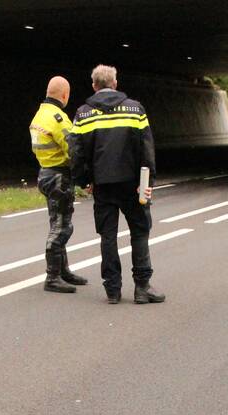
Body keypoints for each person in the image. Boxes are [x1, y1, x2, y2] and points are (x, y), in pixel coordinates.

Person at [70, 64, 165, 304]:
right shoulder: (135, 109)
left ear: (94, 86)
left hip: (102, 186)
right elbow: (147, 148)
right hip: (133, 184)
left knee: (108, 236)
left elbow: (76, 153)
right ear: (115, 83)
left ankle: (112, 290)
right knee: (140, 232)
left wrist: (84, 181)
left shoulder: (82, 114)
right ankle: (142, 288)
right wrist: (147, 181)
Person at [29, 75, 88, 293]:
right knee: (63, 227)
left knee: (56, 221)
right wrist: (84, 178)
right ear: (65, 95)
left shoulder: (38, 116)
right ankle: (52, 277)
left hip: (45, 173)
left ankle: (63, 271)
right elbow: (73, 151)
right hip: (59, 177)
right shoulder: (58, 118)